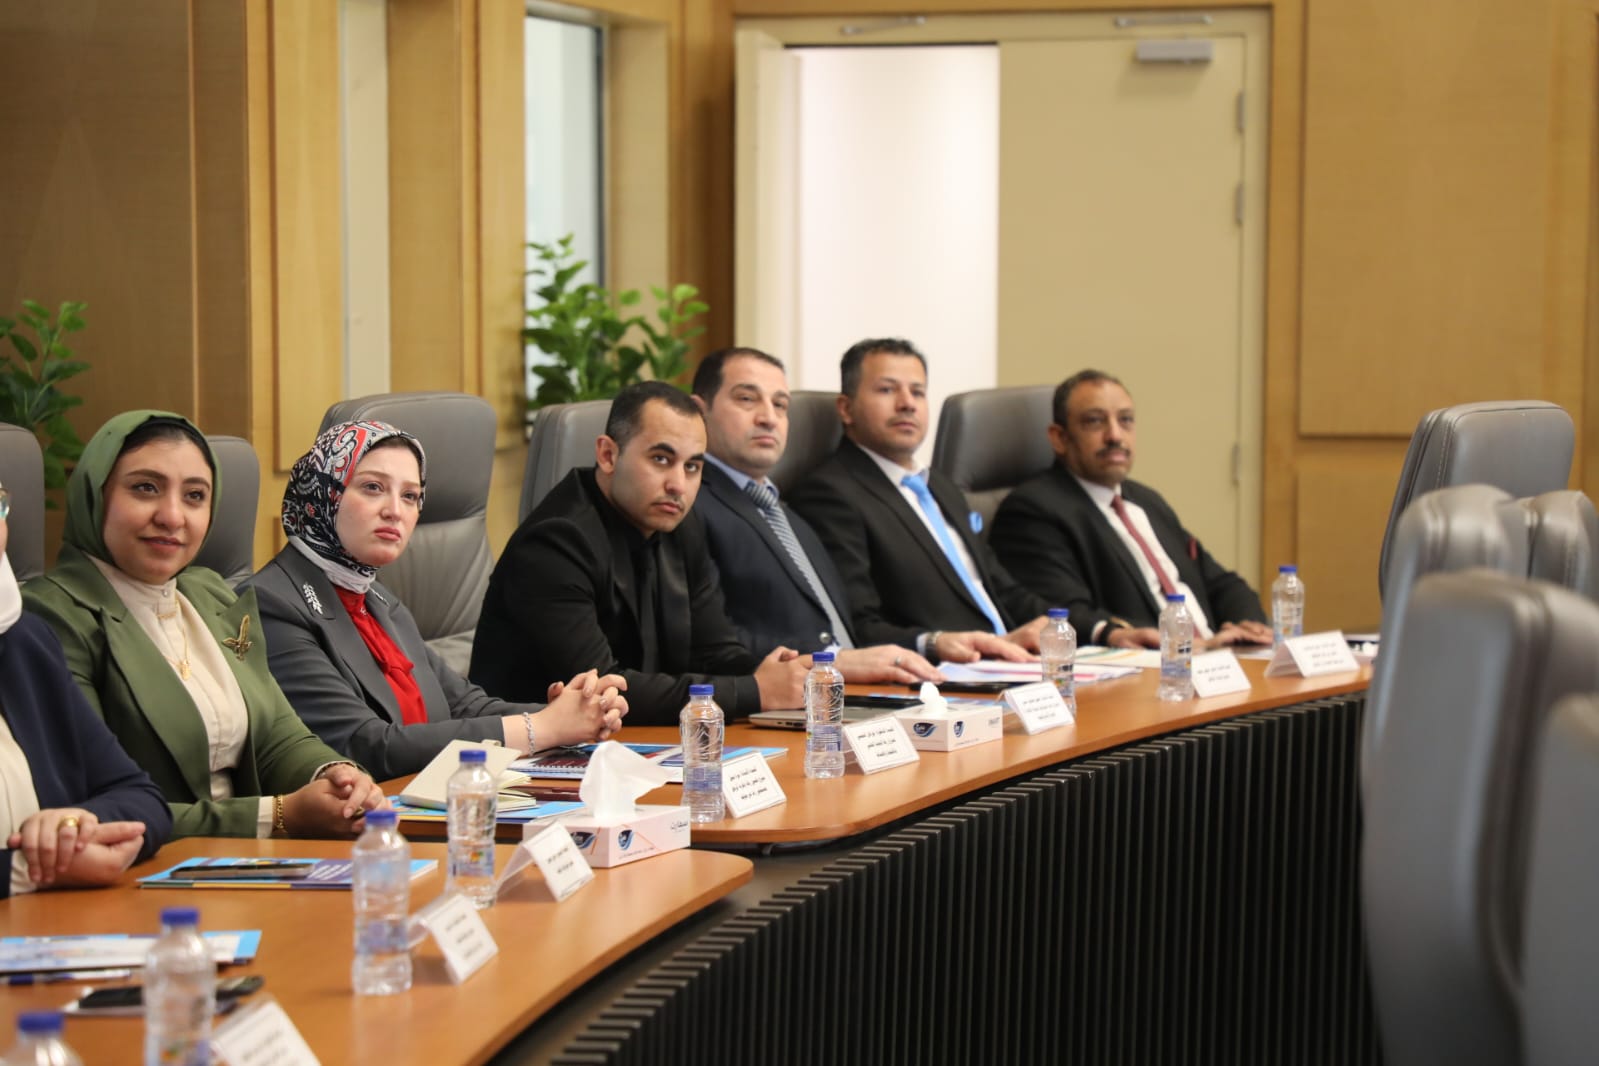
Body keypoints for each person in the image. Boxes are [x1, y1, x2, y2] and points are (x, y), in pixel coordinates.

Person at [23, 411, 386, 839]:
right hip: (146, 865)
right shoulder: (50, 618)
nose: (172, 516)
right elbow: (90, 807)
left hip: (256, 858)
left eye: (195, 496)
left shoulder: (207, 593)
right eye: (145, 488)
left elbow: (276, 735)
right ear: (94, 494)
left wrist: (335, 776)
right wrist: (277, 815)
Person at [244, 421, 628, 781]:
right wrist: (540, 728)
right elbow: (364, 745)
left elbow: (463, 705)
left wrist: (572, 711)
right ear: (323, 491)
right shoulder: (271, 604)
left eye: (410, 496)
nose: (395, 511)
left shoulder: (377, 599)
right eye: (373, 487)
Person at [471, 382, 810, 723]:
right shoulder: (555, 542)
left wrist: (776, 674)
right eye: (661, 459)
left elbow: (713, 650)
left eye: (692, 467)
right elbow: (602, 690)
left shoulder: (681, 524)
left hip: (640, 740)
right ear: (608, 455)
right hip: (536, 748)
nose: (678, 485)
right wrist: (755, 691)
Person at [690, 346, 943, 685]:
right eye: (747, 399)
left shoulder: (787, 515)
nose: (768, 418)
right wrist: (832, 661)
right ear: (699, 412)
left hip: (855, 692)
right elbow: (710, 644)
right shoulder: (690, 505)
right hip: (788, 697)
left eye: (780, 405)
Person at [787, 338, 1048, 663]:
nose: (907, 404)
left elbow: (1002, 589)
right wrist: (933, 643)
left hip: (1009, 662)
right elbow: (856, 625)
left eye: (918, 392)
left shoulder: (941, 486)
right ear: (846, 408)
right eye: (887, 390)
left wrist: (1074, 628)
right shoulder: (829, 495)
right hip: (940, 674)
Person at [989, 369, 1272, 649]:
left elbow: (1220, 582)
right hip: (1153, 663)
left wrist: (1247, 624)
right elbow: (1066, 614)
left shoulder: (1147, 501)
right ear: (1059, 438)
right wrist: (1188, 646)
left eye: (1125, 420)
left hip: (1219, 658)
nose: (1115, 435)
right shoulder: (1034, 511)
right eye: (1095, 421)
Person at [0, 491, 172, 896]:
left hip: (53, 925)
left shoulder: (23, 641)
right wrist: (27, 869)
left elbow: (142, 798)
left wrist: (75, 825)